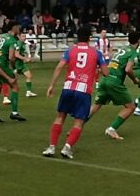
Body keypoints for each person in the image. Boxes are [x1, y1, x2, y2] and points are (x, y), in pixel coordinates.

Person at [42, 27, 108, 159]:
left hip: (68, 87)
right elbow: (106, 73)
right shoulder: (96, 53)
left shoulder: (70, 50)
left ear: (77, 38)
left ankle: (52, 147)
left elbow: (59, 67)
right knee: (79, 121)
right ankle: (67, 148)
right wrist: (97, 66)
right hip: (83, 90)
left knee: (60, 116)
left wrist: (51, 85)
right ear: (89, 38)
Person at [89, 32, 140, 141]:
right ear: (138, 41)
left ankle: (77, 126)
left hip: (105, 78)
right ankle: (112, 129)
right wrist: (135, 80)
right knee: (131, 107)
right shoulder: (132, 52)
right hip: (114, 81)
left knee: (96, 105)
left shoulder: (123, 49)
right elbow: (128, 69)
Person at [0, 22, 27, 121]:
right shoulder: (12, 40)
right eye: (18, 27)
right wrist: (14, 69)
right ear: (14, 27)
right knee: (15, 87)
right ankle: (14, 113)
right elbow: (11, 57)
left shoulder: (1, 36)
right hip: (3, 65)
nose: (19, 28)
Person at [14, 33, 37, 97]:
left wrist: (27, 58)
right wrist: (25, 58)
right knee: (13, 80)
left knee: (29, 76)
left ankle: (28, 92)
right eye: (23, 36)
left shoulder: (23, 44)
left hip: (21, 64)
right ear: (19, 37)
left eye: (25, 36)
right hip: (16, 64)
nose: (24, 37)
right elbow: (16, 55)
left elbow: (22, 53)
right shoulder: (18, 44)